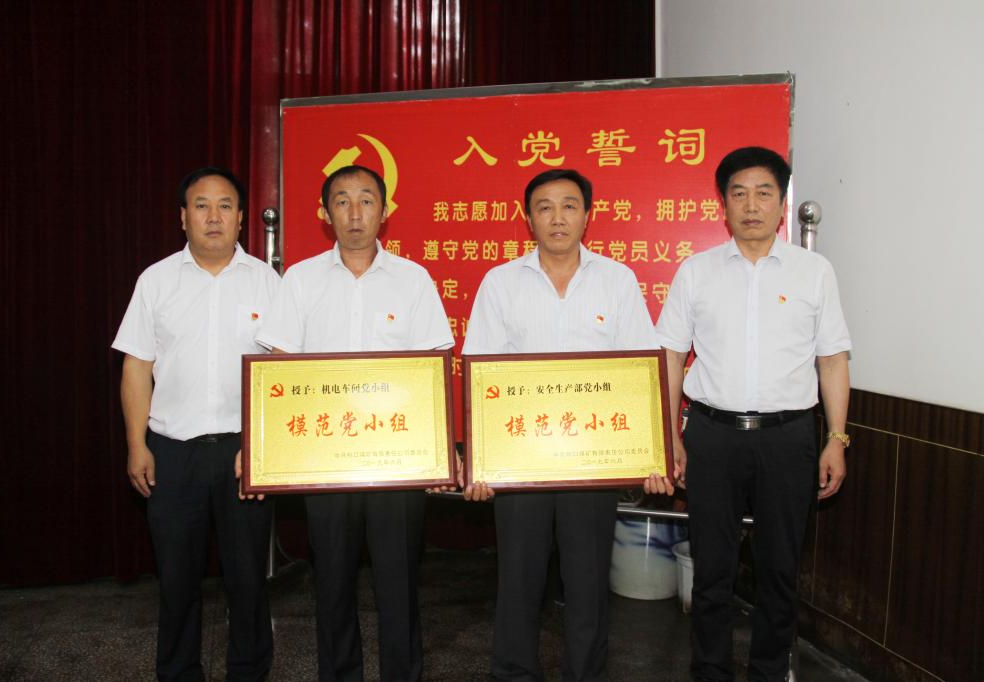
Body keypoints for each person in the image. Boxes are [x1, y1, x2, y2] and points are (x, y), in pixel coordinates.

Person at [649, 146, 851, 681]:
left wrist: (836, 439)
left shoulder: (813, 272)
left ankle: (769, 672)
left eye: (764, 193)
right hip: (712, 435)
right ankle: (710, 672)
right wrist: (670, 435)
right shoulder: (696, 272)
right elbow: (671, 356)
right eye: (738, 193)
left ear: (782, 204)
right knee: (712, 571)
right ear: (724, 204)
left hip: (788, 439)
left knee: (779, 571)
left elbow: (832, 359)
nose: (751, 204)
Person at [255, 164, 453, 681]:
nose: (355, 212)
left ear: (385, 212)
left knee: (399, 583)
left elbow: (434, 367)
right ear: (326, 214)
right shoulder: (300, 280)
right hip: (325, 460)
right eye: (341, 201)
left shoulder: (413, 280)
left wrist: (443, 450)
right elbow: (279, 366)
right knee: (333, 583)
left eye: (366, 200)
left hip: (398, 460)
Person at [462, 169, 659, 681]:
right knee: (518, 582)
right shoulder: (501, 282)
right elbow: (480, 373)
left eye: (569, 206)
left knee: (588, 585)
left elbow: (641, 370)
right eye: (544, 207)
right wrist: (479, 462)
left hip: (592, 462)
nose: (557, 217)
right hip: (519, 462)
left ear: (587, 215)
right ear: (527, 218)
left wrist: (652, 454)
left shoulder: (616, 280)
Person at [113, 167, 280, 681]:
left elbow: (283, 371)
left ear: (242, 218)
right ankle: (178, 671)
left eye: (225, 205)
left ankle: (249, 671)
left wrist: (261, 444)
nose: (213, 216)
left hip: (242, 452)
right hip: (171, 451)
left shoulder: (268, 282)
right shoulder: (156, 280)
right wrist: (136, 444)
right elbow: (136, 365)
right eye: (201, 205)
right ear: (182, 217)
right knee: (177, 580)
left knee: (248, 579)